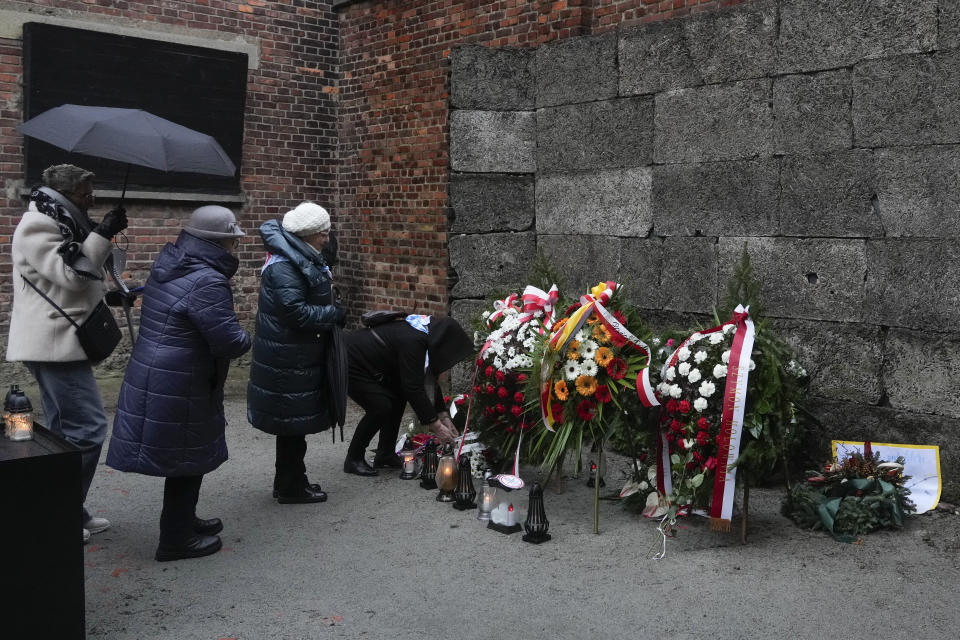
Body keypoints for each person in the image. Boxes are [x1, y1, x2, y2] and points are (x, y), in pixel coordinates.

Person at [106, 205, 251, 562]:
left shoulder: (173, 261)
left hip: (163, 368)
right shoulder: (207, 279)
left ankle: (184, 520)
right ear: (219, 243)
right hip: (182, 376)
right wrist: (249, 338)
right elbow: (228, 340)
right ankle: (175, 539)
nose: (235, 247)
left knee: (189, 452)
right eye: (232, 241)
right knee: (186, 455)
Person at [6, 164, 128, 543]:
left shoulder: (66, 220)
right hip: (53, 343)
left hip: (62, 340)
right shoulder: (38, 225)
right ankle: (54, 511)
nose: (93, 197)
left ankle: (66, 508)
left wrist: (111, 293)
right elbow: (72, 276)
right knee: (88, 429)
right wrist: (104, 232)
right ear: (68, 191)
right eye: (87, 191)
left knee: (62, 432)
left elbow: (67, 283)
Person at [247, 202, 346, 504]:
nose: (327, 239)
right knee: (292, 428)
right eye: (323, 234)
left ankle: (288, 481)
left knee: (291, 429)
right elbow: (296, 313)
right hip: (287, 359)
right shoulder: (285, 265)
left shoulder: (295, 256)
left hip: (291, 355)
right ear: (308, 235)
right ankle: (292, 487)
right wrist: (333, 314)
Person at [343, 315, 471, 476]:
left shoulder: (424, 335)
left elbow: (428, 379)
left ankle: (385, 454)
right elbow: (413, 388)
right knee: (380, 407)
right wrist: (437, 427)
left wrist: (444, 417)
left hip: (371, 364)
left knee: (397, 398)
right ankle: (353, 458)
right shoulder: (414, 341)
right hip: (351, 361)